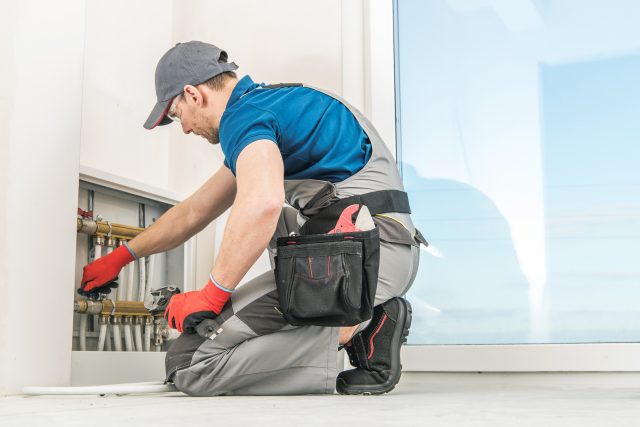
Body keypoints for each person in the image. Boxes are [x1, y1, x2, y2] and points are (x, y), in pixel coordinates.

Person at [79, 41, 422, 396]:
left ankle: (356, 330)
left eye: (176, 115)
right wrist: (123, 256)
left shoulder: (245, 118)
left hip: (365, 259)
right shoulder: (268, 107)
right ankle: (354, 320)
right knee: (196, 345)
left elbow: (263, 203)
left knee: (189, 363)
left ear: (193, 94)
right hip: (379, 251)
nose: (183, 129)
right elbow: (196, 210)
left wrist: (210, 296)